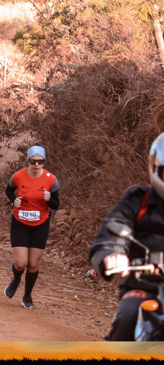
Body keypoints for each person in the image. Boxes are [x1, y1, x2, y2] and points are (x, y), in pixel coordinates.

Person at [89, 132, 164, 340]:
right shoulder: (137, 201)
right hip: (145, 286)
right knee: (129, 314)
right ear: (157, 168)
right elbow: (112, 233)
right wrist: (111, 254)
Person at [4, 145, 60, 310]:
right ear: (28, 160)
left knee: (33, 265)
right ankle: (16, 279)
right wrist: (13, 200)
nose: (36, 165)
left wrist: (49, 199)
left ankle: (27, 297)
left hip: (40, 224)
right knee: (21, 263)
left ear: (44, 162)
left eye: (40, 161)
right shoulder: (18, 176)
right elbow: (9, 191)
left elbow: (56, 204)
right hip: (20, 222)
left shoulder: (51, 179)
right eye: (33, 161)